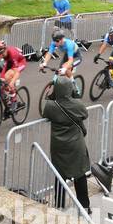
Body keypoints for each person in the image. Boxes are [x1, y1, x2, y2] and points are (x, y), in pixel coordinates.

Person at [42, 75, 97, 212]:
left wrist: (52, 93)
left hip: (59, 147)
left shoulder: (50, 106)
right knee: (80, 176)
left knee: (60, 177)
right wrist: (75, 94)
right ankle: (84, 207)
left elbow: (46, 106)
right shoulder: (77, 105)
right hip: (76, 146)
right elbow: (84, 114)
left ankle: (59, 206)